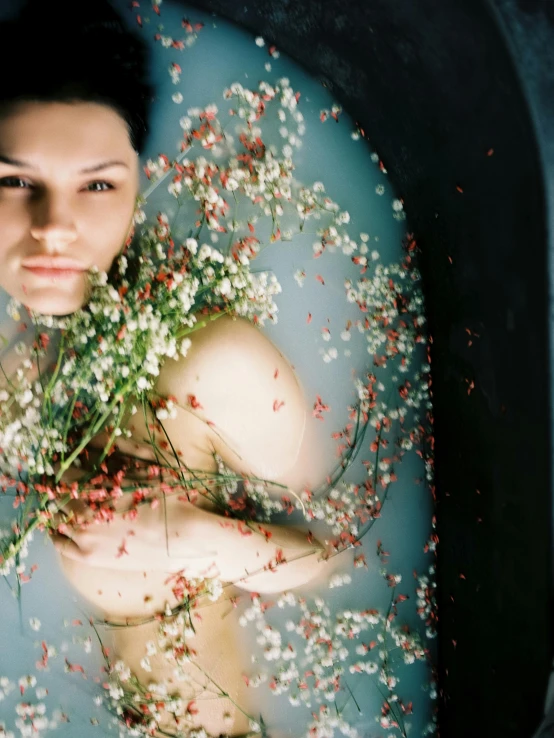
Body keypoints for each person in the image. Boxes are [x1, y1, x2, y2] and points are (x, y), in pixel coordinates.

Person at [0, 0, 332, 735]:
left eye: (96, 184)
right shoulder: (20, 355)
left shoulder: (211, 364)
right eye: (14, 182)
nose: (53, 227)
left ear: (138, 188)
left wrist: (183, 535)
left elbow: (341, 559)